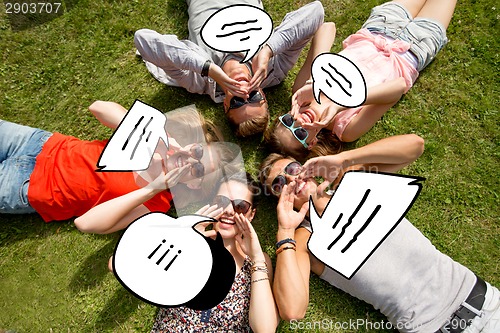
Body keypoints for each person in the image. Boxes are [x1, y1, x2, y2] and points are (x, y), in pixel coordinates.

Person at [259, 135, 500, 333]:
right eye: (279, 184)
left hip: (485, 301)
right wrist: (285, 230)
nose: (291, 178)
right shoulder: (307, 240)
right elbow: (293, 309)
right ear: (281, 199)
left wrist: (344, 159)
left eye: (291, 168)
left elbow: (415, 146)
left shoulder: (354, 182)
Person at [0, 101, 234, 234]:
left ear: (194, 183)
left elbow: (86, 224)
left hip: (29, 187)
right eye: (199, 152)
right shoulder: (152, 138)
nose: (191, 161)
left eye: (199, 170)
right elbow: (98, 108)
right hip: (38, 142)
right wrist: (155, 137)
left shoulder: (155, 204)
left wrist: (153, 188)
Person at [266, 0, 457, 160]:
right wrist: (340, 104)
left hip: (380, 26)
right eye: (300, 134)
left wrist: (316, 80)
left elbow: (327, 28)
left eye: (289, 121)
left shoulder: (303, 89)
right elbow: (399, 87)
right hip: (413, 50)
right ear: (312, 143)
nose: (299, 122)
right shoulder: (346, 128)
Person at [134, 0, 325, 137]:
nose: (244, 92)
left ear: (225, 105)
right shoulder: (273, 70)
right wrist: (267, 51)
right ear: (264, 96)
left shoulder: (198, 81)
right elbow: (315, 12)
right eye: (253, 97)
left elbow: (143, 40)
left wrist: (209, 69)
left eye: (237, 103)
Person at [150, 172, 280, 332]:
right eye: (221, 201)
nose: (229, 210)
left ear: (251, 214)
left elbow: (265, 330)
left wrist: (257, 258)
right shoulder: (187, 240)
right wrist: (182, 241)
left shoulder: (257, 260)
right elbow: (118, 265)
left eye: (240, 206)